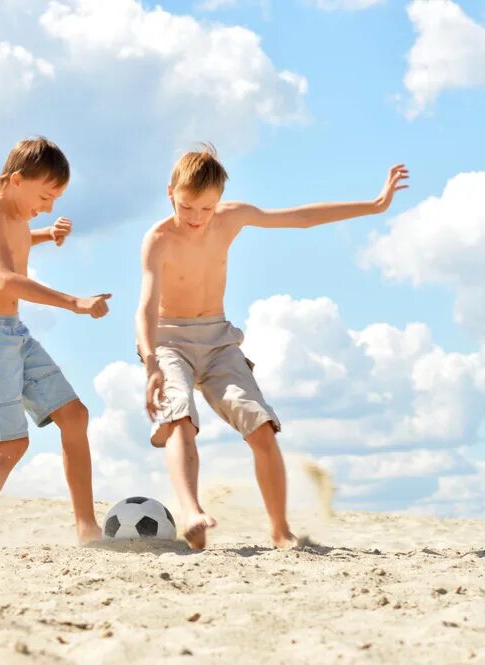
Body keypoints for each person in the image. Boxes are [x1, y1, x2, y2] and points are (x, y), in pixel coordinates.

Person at [135, 144, 408, 549]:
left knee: (262, 427)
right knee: (180, 422)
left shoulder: (232, 218)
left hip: (217, 339)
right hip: (168, 339)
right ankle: (191, 513)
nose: (195, 218)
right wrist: (152, 362)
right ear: (170, 191)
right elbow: (144, 310)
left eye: (206, 209)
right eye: (186, 206)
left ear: (220, 202)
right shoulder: (158, 239)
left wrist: (374, 205)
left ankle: (281, 531)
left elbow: (300, 218)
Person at [0, 137, 111, 550]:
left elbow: (20, 238)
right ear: (17, 180)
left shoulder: (18, 220)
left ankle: (86, 529)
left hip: (14, 333)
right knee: (12, 445)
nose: (50, 206)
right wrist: (74, 302)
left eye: (56, 199)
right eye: (45, 196)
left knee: (74, 416)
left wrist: (46, 234)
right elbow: (7, 278)